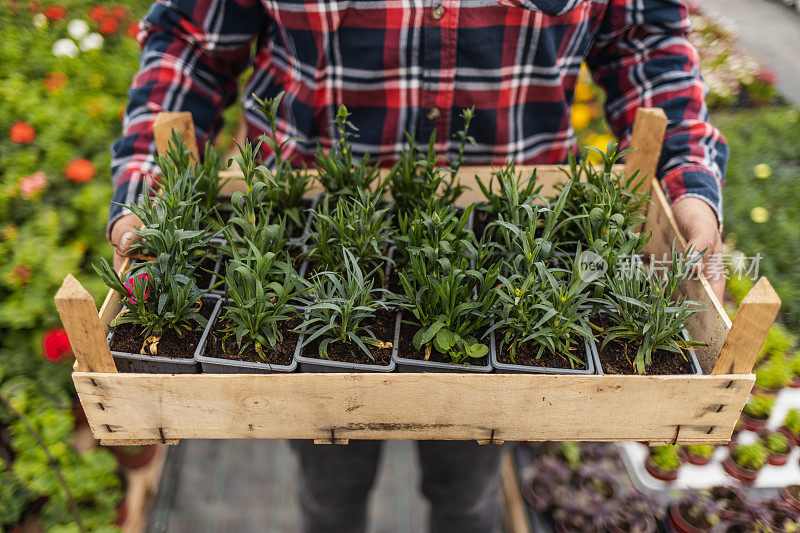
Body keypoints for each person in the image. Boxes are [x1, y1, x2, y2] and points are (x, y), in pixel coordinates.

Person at [108, 1, 727, 531]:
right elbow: (191, 39)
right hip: (300, 225)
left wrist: (686, 184)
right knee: (330, 492)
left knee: (468, 493)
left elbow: (642, 38)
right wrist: (147, 194)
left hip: (512, 235)